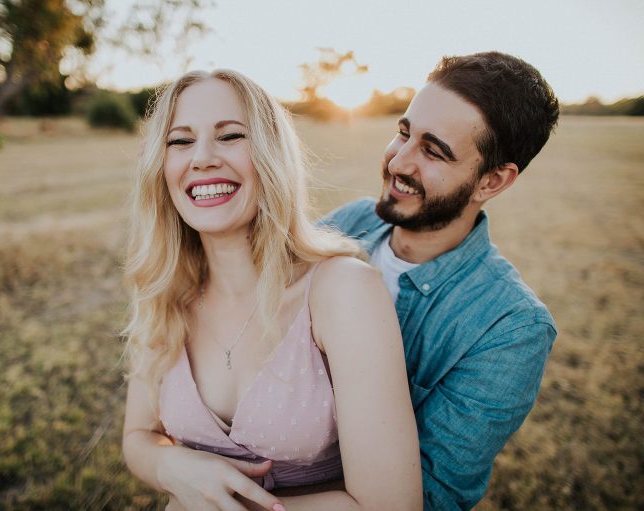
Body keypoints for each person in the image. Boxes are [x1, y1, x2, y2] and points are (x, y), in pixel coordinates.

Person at [121, 69, 422, 511]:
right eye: (180, 141)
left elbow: (392, 506)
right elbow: (137, 436)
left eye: (230, 136)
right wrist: (172, 466)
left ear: (271, 156)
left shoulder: (343, 291)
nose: (201, 158)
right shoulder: (165, 292)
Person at [321, 51, 560, 510]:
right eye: (403, 133)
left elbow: (429, 497)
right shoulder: (348, 223)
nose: (398, 162)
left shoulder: (510, 330)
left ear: (492, 182)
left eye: (433, 151)